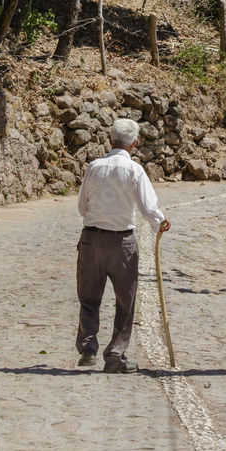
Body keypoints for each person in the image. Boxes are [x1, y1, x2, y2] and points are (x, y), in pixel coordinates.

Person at [76, 117, 171, 373]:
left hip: (91, 239)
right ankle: (115, 356)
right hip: (122, 243)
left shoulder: (94, 167)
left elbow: (82, 207)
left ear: (109, 140)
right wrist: (160, 222)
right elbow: (148, 208)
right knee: (125, 301)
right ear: (134, 143)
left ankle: (88, 348)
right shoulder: (134, 170)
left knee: (89, 297)